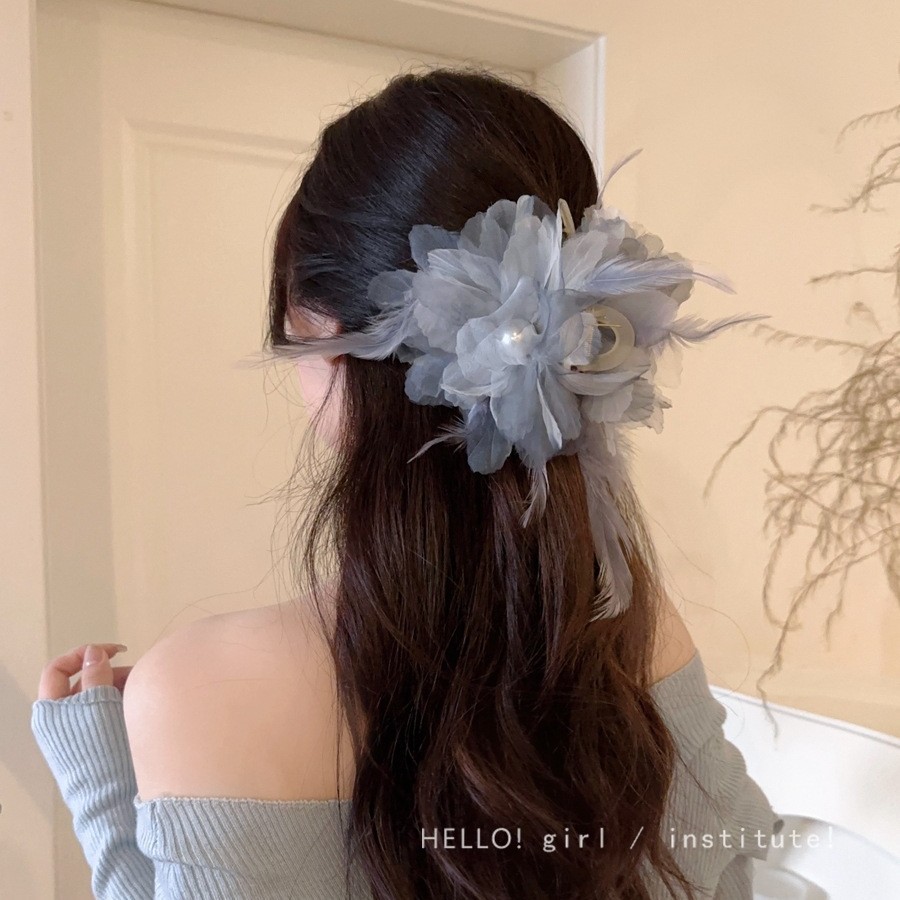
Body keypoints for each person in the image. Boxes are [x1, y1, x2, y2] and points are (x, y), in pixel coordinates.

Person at [31, 66, 782, 899]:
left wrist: (108, 800)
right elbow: (729, 880)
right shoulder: (635, 627)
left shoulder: (200, 693)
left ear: (325, 335)